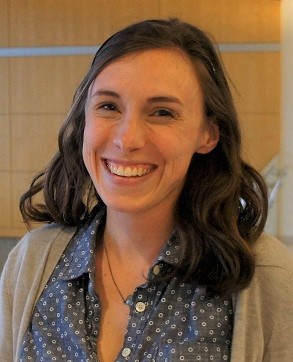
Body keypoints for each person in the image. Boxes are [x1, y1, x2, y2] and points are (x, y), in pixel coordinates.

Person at [0, 18, 292, 362]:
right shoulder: (31, 261)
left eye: (162, 112)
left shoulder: (266, 275)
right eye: (108, 106)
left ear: (208, 134)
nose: (127, 139)